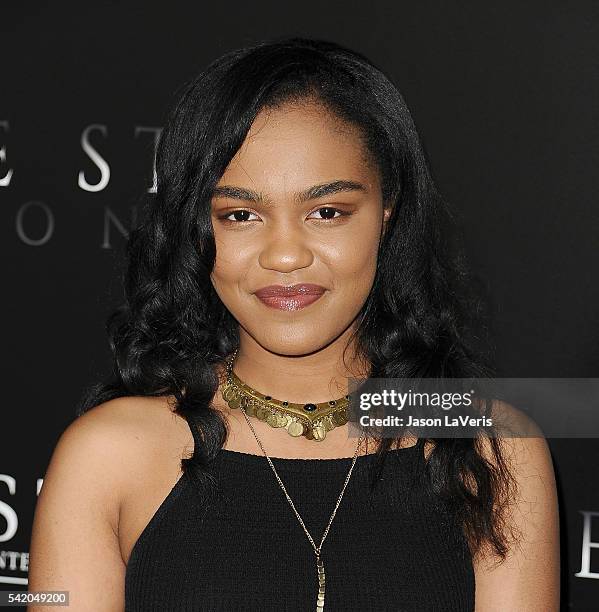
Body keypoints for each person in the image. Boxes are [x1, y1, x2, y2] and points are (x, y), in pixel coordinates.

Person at [27, 37, 559, 611]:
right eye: (240, 215)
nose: (285, 255)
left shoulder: (488, 445)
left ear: (388, 209)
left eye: (327, 212)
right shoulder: (109, 456)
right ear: (196, 227)